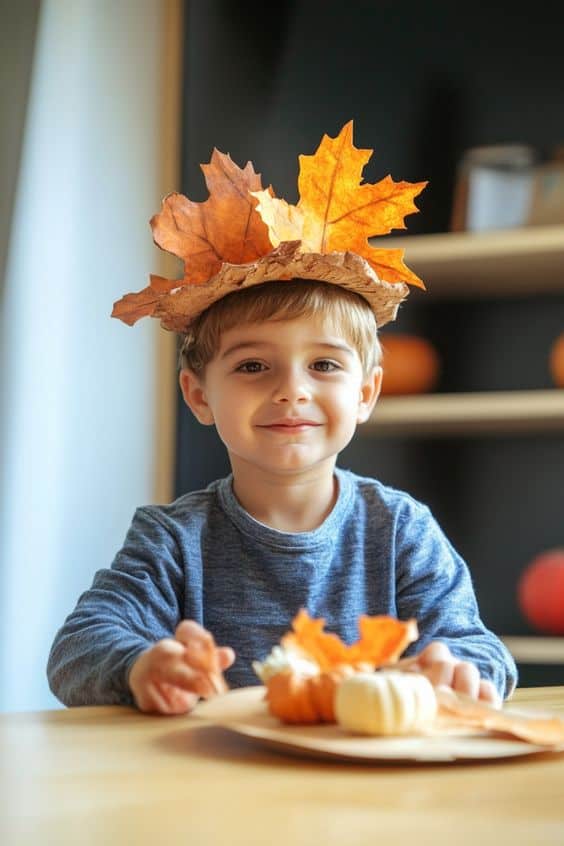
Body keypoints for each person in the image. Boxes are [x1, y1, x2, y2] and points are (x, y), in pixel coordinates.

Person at [47, 122, 517, 715]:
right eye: (252, 367)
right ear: (199, 396)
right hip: (218, 790)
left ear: (367, 393)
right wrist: (143, 664)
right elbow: (76, 650)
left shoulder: (400, 531)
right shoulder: (171, 541)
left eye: (323, 364)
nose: (292, 391)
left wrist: (460, 670)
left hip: (367, 792)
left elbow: (479, 648)